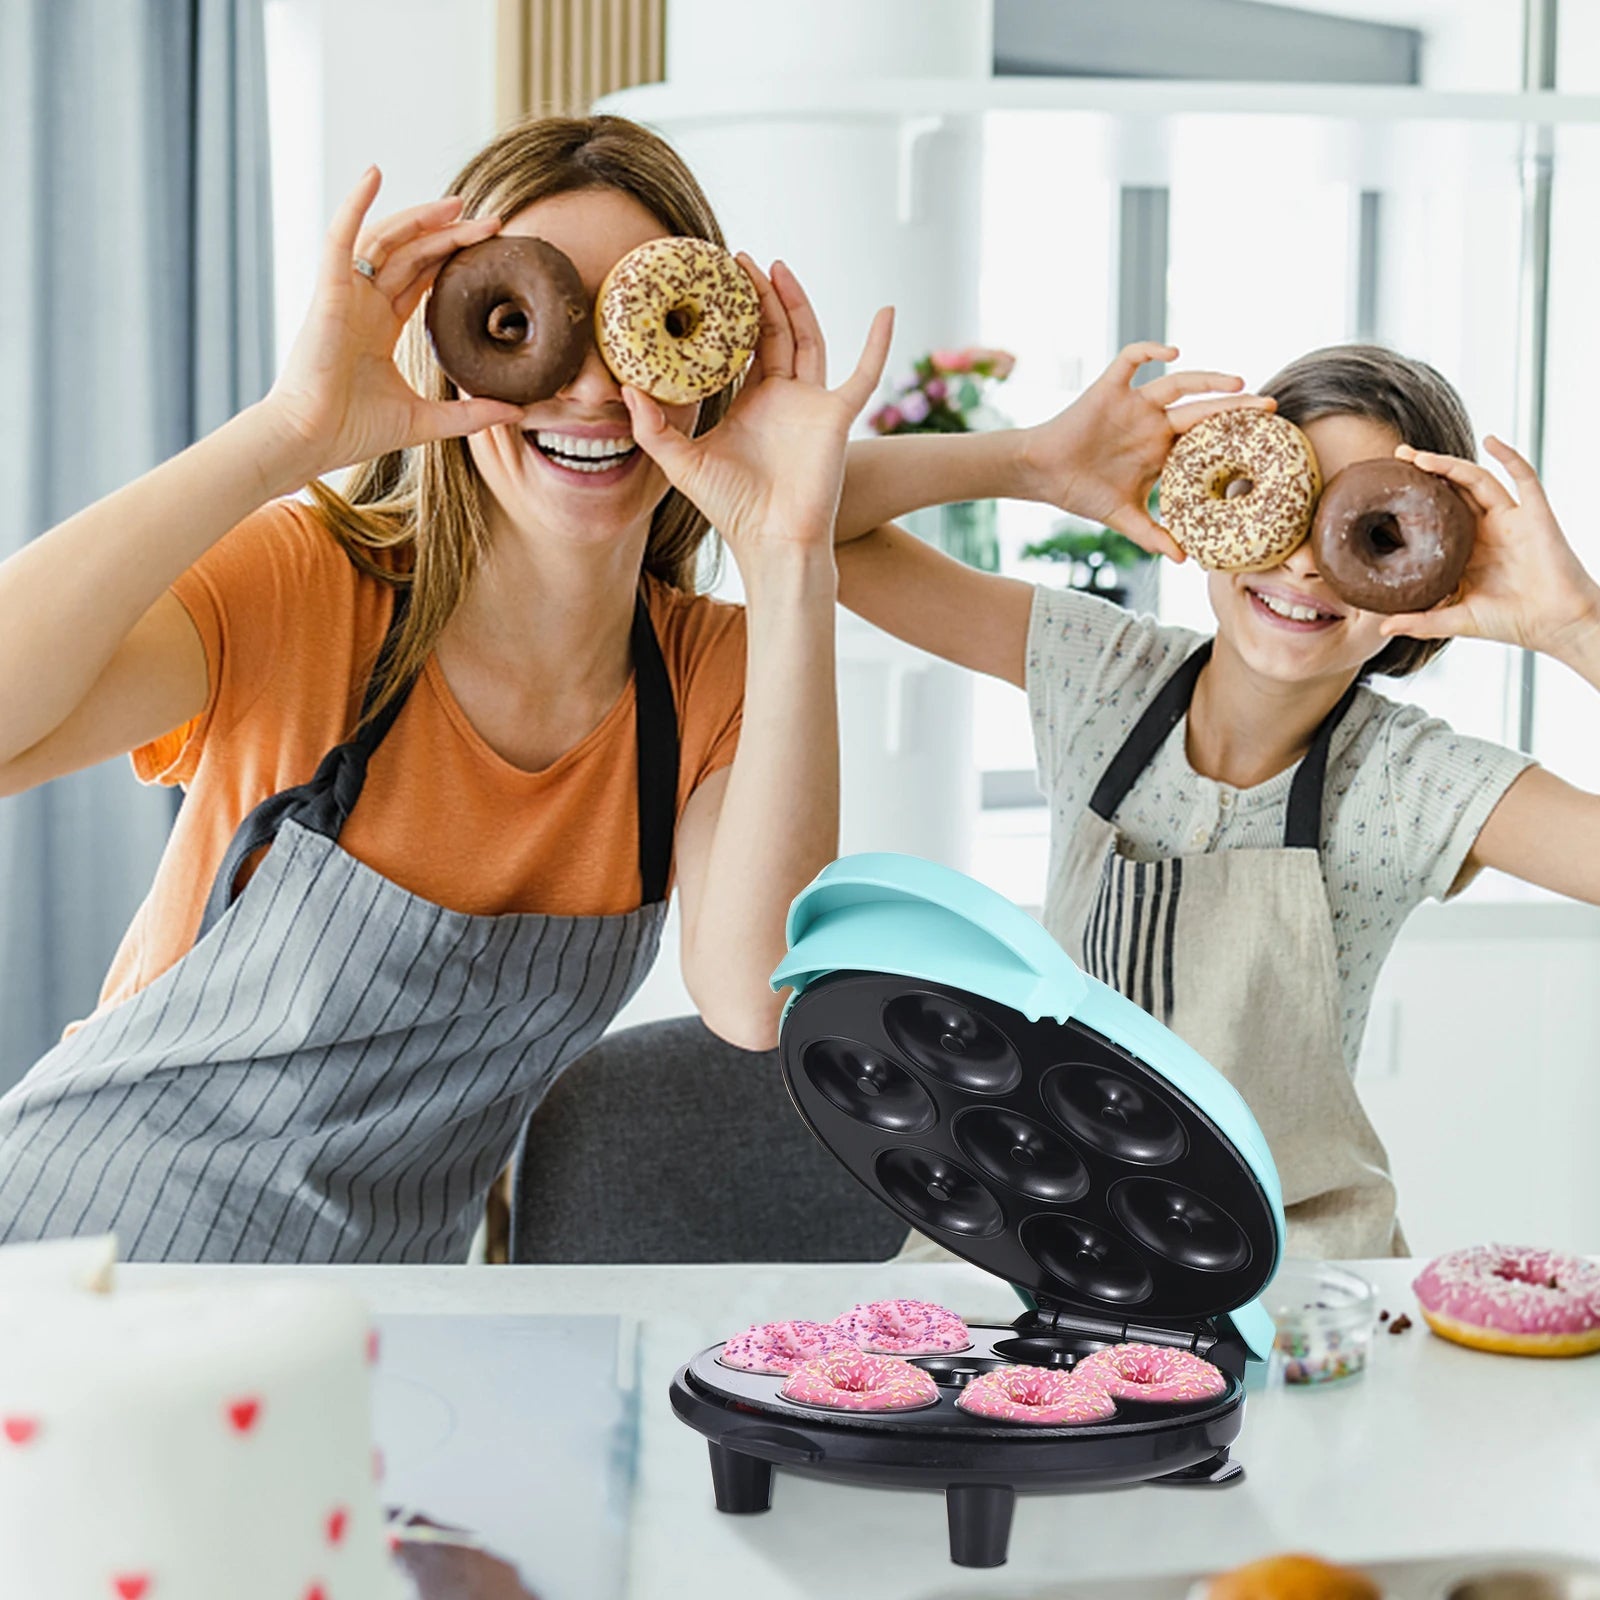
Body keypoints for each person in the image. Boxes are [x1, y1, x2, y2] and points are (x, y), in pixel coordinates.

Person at [0, 114, 890, 1263]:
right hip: (79, 1257)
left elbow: (753, 998)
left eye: (637, 335)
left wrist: (790, 554)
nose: (592, 388)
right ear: (458, 341)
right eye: (527, 324)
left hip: (386, 1312)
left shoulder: (711, 674)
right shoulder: (311, 585)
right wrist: (283, 435)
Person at [830, 340, 1600, 1256]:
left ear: (1430, 573)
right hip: (1040, 1234)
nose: (1305, 565)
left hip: (1279, 1274)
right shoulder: (1100, 672)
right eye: (1283, 509)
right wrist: (1030, 459)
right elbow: (811, 517)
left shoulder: (1410, 783)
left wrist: (1576, 624)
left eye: (1369, 533)